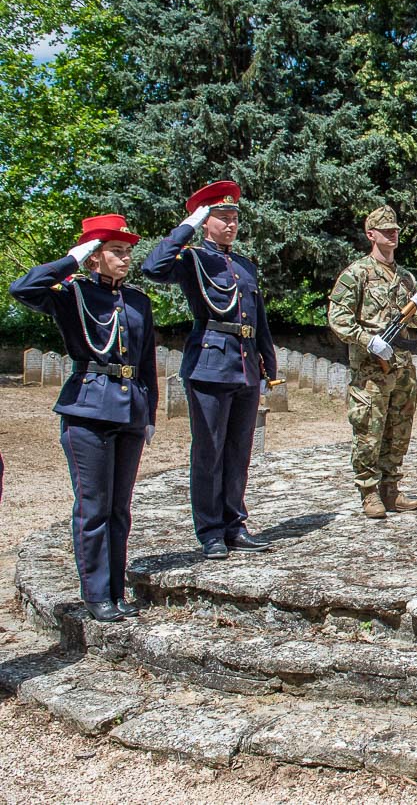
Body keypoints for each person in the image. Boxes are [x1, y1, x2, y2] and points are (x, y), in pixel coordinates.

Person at [9, 215, 158, 622]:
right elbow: (21, 288)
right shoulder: (70, 294)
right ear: (95, 257)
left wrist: (150, 414)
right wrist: (71, 260)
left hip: (129, 410)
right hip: (87, 409)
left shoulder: (138, 302)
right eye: (116, 251)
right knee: (93, 507)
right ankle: (95, 594)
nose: (126, 258)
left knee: (120, 508)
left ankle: (115, 589)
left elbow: (145, 362)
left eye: (128, 251)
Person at [141, 181, 278, 560]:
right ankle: (210, 531)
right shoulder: (192, 260)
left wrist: (268, 360)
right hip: (210, 364)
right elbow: (153, 268)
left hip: (245, 364)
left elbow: (258, 319)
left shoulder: (245, 266)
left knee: (239, 451)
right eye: (222, 218)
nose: (231, 224)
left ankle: (235, 524)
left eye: (234, 218)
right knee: (209, 451)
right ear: (206, 222)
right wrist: (187, 226)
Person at [328, 206, 417, 518]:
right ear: (370, 234)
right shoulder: (356, 274)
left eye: (396, 229)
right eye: (386, 230)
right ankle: (369, 491)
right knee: (369, 432)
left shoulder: (405, 278)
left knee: (399, 430)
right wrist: (368, 340)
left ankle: (391, 488)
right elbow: (339, 319)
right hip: (371, 370)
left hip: (402, 367)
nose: (393, 234)